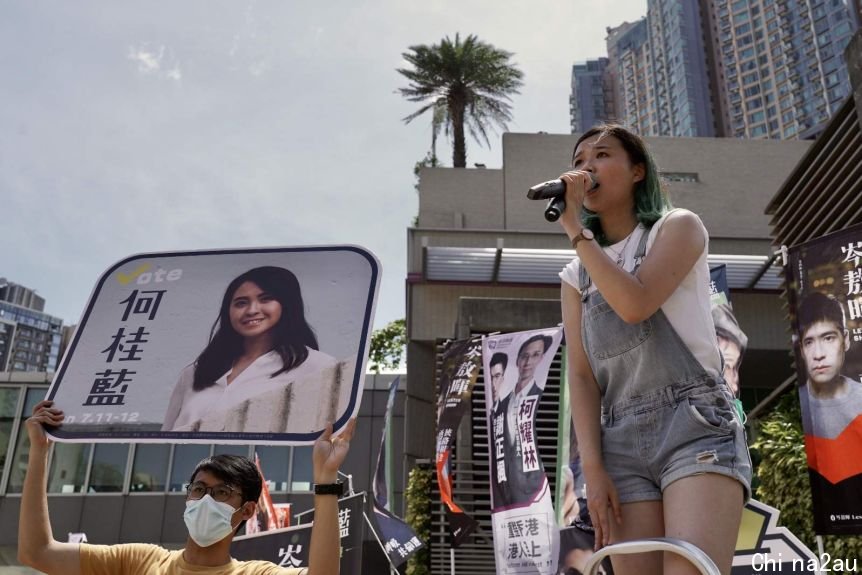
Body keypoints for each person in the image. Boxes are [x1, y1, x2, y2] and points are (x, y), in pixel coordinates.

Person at [557, 124, 751, 575]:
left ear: (638, 170)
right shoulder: (573, 275)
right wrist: (592, 467)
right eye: (579, 160)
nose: (586, 167)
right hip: (618, 438)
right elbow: (582, 377)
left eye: (601, 156)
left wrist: (573, 227)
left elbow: (635, 304)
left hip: (694, 423)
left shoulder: (678, 227)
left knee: (689, 568)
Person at [19, 399, 355, 575]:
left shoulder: (254, 573)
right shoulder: (139, 562)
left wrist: (325, 480)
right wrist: (40, 453)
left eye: (221, 492)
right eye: (198, 489)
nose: (205, 499)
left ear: (248, 510)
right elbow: (37, 553)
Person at [162, 266, 338, 433]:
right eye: (241, 303)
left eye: (265, 299)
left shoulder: (318, 367)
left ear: (286, 304)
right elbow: (166, 436)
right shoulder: (195, 372)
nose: (252, 310)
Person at [496, 334, 553, 507]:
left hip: (536, 495)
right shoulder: (501, 403)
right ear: (517, 360)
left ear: (542, 358)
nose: (528, 361)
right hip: (506, 496)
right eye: (525, 356)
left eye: (536, 355)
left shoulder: (544, 397)